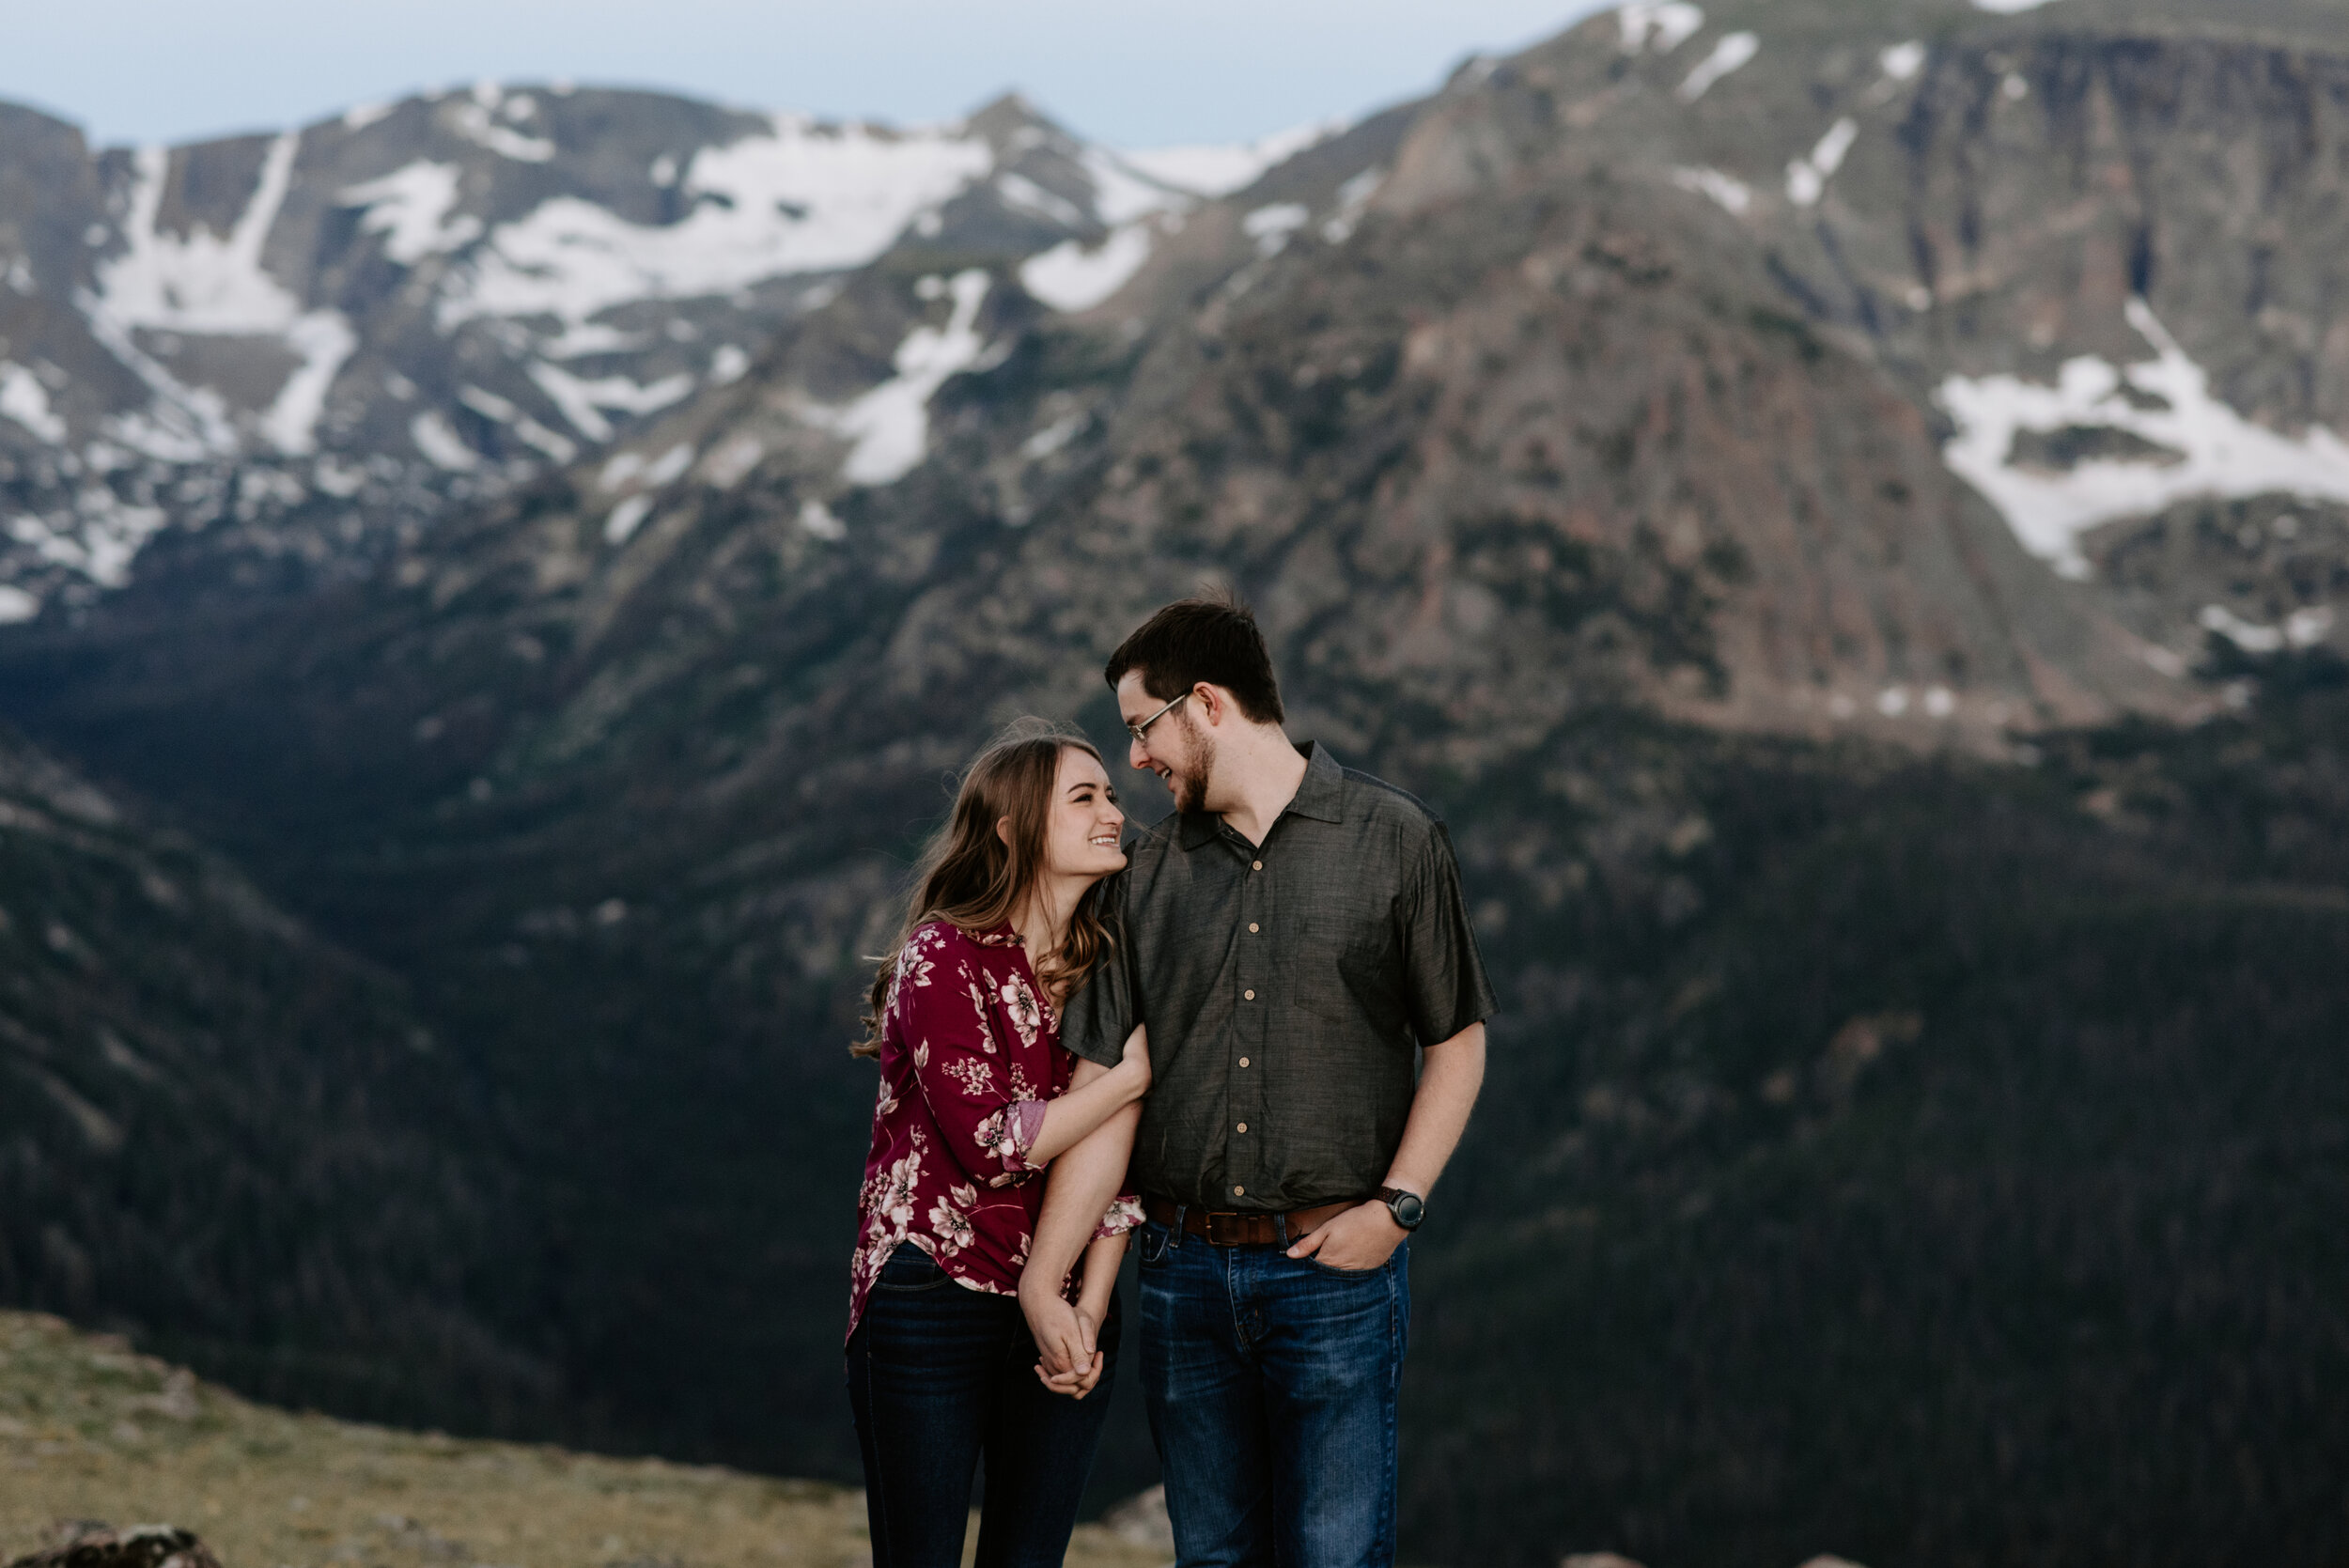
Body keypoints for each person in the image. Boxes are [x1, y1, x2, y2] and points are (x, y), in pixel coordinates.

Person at [1021, 596, 1496, 1568]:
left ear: (1204, 704)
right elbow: (1106, 1077)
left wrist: (1397, 1207)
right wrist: (1050, 1275)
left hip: (1335, 1273)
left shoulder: (1396, 840)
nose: (1137, 762)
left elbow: (1456, 1039)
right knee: (1213, 1560)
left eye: (1141, 730)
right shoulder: (1141, 877)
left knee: (1333, 1557)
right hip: (1181, 1278)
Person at [845, 721, 1154, 1568]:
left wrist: (1089, 1309)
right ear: (1013, 827)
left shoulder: (1109, 965)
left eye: (1113, 794)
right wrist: (1131, 1075)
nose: (1113, 812)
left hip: (1064, 1304)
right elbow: (991, 1142)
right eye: (1083, 796)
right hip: (932, 1297)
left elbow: (1122, 1169)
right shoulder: (944, 954)